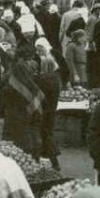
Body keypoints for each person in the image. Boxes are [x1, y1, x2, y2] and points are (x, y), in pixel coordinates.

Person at [0, 43, 43, 158]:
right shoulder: (24, 69)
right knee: (28, 140)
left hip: (14, 113)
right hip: (24, 112)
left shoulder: (13, 71)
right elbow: (34, 92)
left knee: (16, 142)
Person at [34, 37, 61, 170]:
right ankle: (52, 161)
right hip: (52, 108)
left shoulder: (42, 79)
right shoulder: (56, 79)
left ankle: (53, 161)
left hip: (43, 110)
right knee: (48, 132)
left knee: (44, 134)